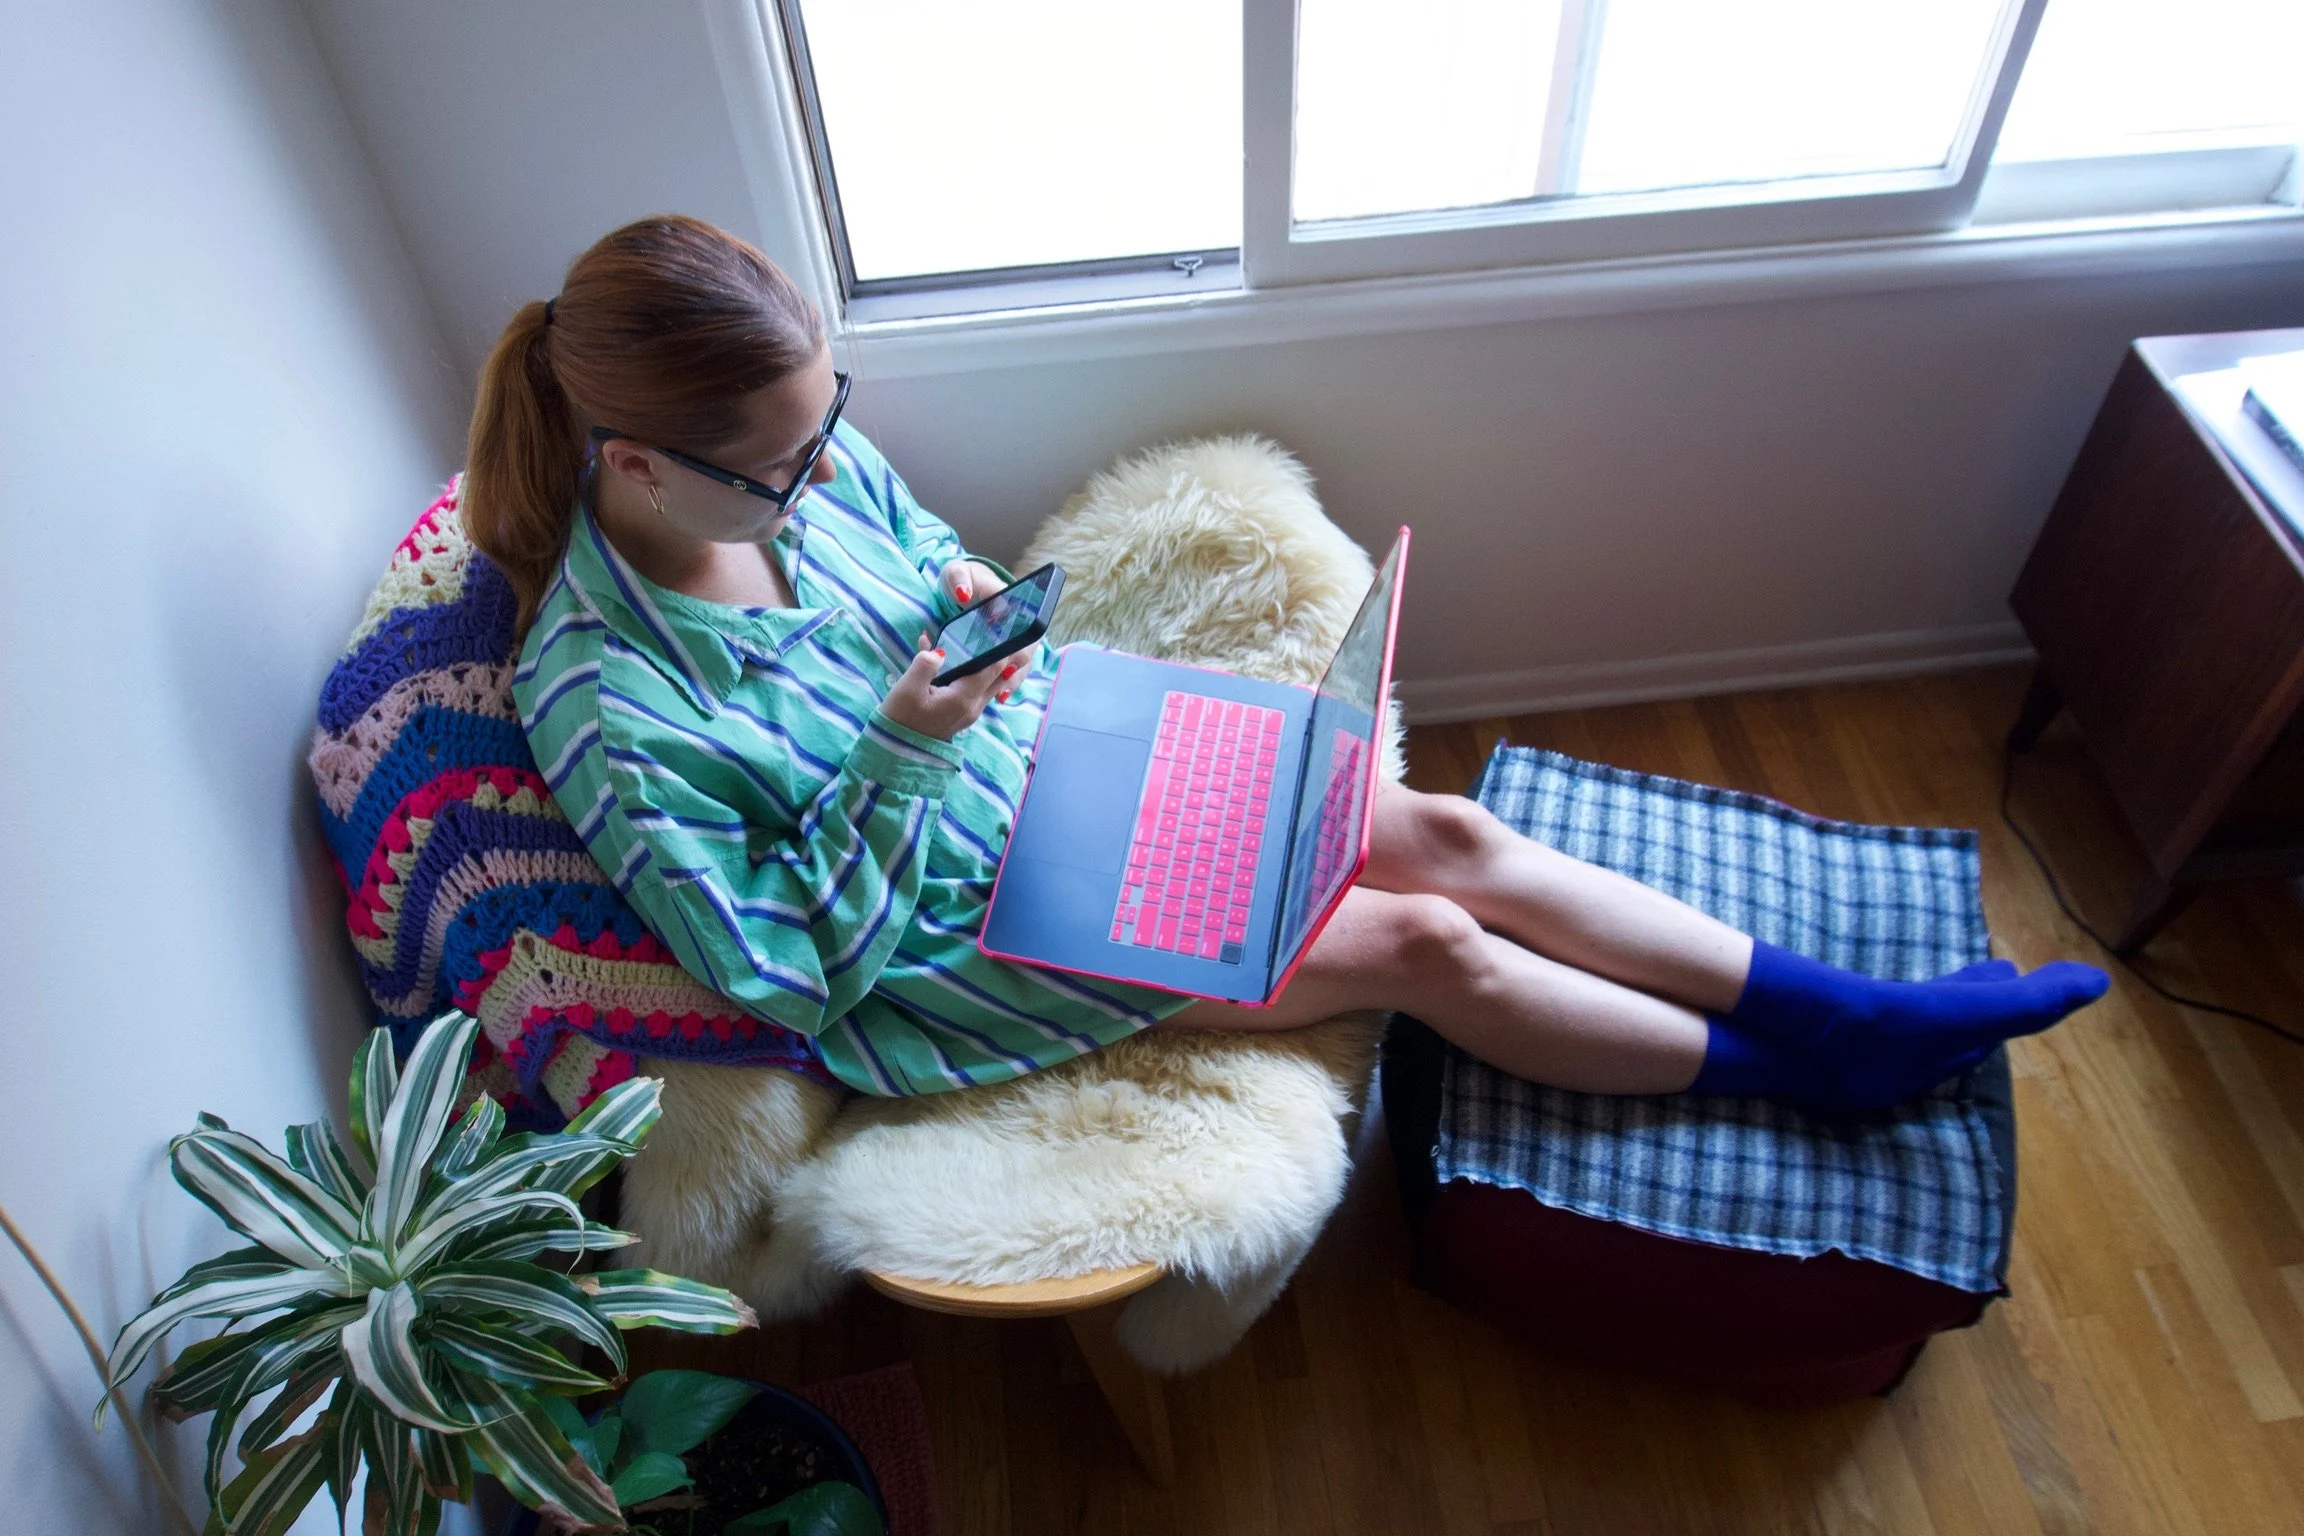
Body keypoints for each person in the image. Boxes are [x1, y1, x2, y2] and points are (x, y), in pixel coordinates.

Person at [469, 215, 2107, 1109]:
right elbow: (784, 972)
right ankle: (1812, 1081)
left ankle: (1853, 1013)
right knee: (1429, 943)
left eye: (836, 420)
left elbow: (904, 533)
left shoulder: (796, 463)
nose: (830, 473)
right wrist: (904, 745)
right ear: (632, 465)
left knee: (1449, 833)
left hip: (1062, 758)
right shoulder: (610, 707)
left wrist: (959, 591)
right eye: (784, 461)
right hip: (960, 946)